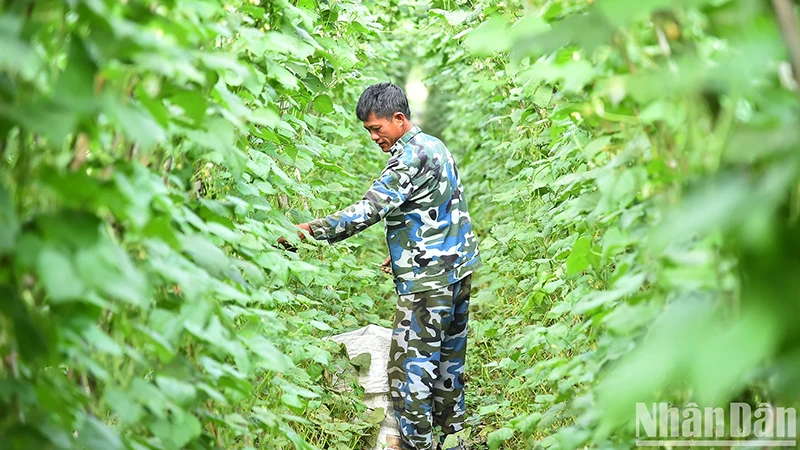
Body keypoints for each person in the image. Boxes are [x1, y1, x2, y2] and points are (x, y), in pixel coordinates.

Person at [282, 83, 480, 450]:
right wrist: (406, 245)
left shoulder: (406, 159)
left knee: (411, 374)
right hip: (458, 270)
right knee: (449, 367)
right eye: (369, 131)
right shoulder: (434, 146)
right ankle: (456, 442)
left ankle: (416, 445)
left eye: (377, 128)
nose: (374, 137)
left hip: (428, 282)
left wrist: (310, 232)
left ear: (399, 119)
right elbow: (445, 205)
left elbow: (367, 210)